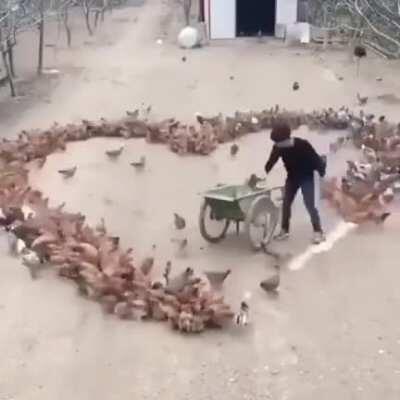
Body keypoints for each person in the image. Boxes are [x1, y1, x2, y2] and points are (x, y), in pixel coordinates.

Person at [265, 122, 326, 244]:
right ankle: (284, 230)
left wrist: (322, 172)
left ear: (286, 139)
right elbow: (271, 162)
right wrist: (264, 173)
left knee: (309, 204)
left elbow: (315, 159)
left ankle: (318, 231)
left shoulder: (303, 144)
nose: (276, 145)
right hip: (292, 177)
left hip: (306, 177)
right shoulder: (278, 147)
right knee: (286, 203)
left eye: (277, 142)